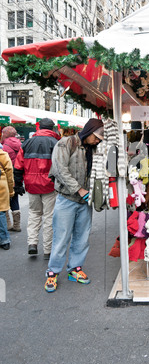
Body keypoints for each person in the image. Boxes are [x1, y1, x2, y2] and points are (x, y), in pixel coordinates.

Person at [44, 118, 104, 293]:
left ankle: (75, 269)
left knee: (82, 238)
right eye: (97, 136)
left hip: (85, 200)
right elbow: (59, 169)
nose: (98, 140)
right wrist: (79, 190)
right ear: (89, 131)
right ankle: (53, 272)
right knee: (61, 238)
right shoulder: (66, 143)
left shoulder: (95, 148)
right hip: (67, 198)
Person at [14, 118, 61, 258]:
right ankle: (48, 249)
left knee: (34, 214)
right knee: (49, 217)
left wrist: (18, 184)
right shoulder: (56, 143)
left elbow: (18, 166)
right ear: (52, 129)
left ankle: (32, 243)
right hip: (49, 185)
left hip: (31, 184)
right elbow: (60, 166)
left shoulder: (27, 143)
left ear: (39, 127)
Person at [1, 126, 22, 232]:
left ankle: (8, 224)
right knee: (15, 199)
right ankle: (17, 225)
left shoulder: (4, 146)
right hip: (18, 175)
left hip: (7, 176)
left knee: (4, 200)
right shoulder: (20, 144)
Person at [0, 143, 14, 250]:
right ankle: (4, 240)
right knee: (1, 213)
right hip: (1, 186)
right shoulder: (3, 155)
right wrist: (10, 190)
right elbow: (9, 173)